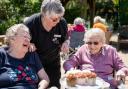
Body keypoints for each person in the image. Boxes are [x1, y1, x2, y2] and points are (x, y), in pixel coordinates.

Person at [24, 0, 69, 88]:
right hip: (34, 64)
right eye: (55, 19)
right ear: (43, 14)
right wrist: (28, 44)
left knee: (54, 86)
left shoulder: (62, 23)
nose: (58, 21)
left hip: (53, 62)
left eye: (60, 17)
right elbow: (21, 43)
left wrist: (65, 42)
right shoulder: (30, 23)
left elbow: (66, 38)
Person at [63, 28, 128, 89]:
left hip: (106, 84)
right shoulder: (83, 49)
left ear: (102, 42)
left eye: (96, 43)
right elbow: (68, 63)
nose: (92, 46)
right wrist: (71, 70)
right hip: (86, 85)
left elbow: (123, 67)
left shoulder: (111, 51)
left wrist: (121, 71)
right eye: (89, 43)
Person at [0, 24, 49, 89]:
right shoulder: (2, 54)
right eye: (25, 36)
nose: (28, 40)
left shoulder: (32, 54)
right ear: (12, 39)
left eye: (29, 38)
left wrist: (41, 87)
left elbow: (45, 78)